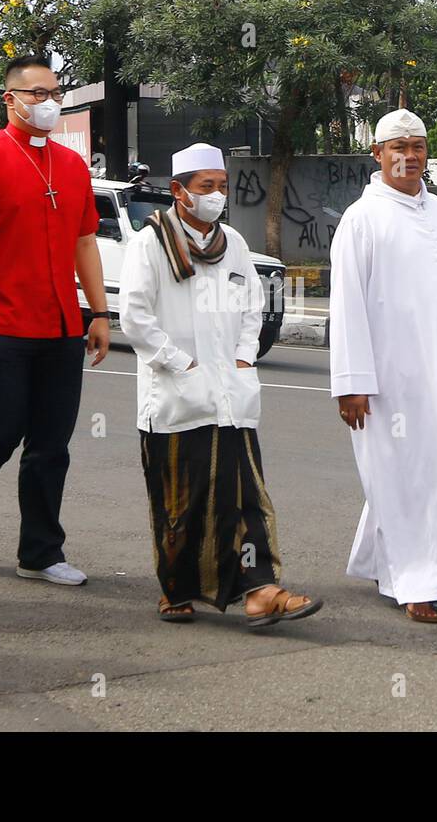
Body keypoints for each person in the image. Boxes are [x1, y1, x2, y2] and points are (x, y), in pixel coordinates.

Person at [119, 143, 321, 627]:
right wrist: (180, 363)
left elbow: (254, 306)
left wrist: (243, 356)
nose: (215, 195)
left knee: (245, 496)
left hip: (231, 394)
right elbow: (135, 316)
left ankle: (259, 590)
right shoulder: (150, 244)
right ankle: (176, 589)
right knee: (179, 503)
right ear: (178, 191)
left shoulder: (232, 242)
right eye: (205, 187)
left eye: (221, 186)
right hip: (174, 396)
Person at [0, 54, 110, 584]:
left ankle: (40, 552)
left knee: (51, 445)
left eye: (55, 92)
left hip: (60, 326)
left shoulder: (73, 165)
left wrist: (98, 312)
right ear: (9, 99)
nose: (48, 102)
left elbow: (85, 241)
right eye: (36, 94)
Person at [330, 109, 437, 624]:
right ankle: (420, 580)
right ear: (377, 154)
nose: (409, 155)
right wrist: (351, 383)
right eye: (397, 146)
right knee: (411, 475)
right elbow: (347, 305)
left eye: (417, 145)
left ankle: (379, 557)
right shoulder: (363, 218)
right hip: (388, 378)